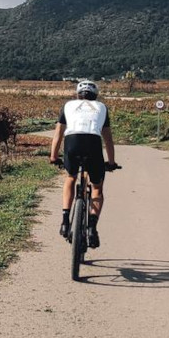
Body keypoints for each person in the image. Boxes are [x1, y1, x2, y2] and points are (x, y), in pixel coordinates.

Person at [49, 79, 117, 249]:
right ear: (95, 95)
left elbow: (58, 133)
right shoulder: (101, 107)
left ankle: (65, 221)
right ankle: (92, 227)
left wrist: (53, 156)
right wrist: (111, 161)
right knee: (96, 187)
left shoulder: (68, 106)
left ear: (78, 94)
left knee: (71, 177)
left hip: (72, 142)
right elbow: (107, 138)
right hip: (93, 144)